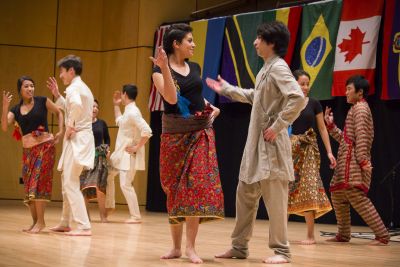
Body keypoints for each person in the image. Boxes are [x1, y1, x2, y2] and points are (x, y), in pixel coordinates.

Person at [206, 21, 305, 264]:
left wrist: (277, 125)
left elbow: (298, 98)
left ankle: (282, 252)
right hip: (256, 148)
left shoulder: (279, 68)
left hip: (271, 148)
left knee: (276, 202)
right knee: (245, 195)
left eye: (259, 38)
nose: (255, 42)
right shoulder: (265, 70)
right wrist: (227, 89)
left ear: (271, 43)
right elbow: (254, 96)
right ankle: (239, 247)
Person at [151, 23, 224, 264]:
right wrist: (164, 68)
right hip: (174, 135)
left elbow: (193, 96)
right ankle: (176, 247)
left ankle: (191, 247)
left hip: (199, 132)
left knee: (195, 188)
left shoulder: (194, 67)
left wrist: (210, 106)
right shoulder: (158, 71)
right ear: (176, 44)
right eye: (189, 41)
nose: (193, 45)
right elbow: (171, 98)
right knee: (173, 189)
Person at [324, 75, 390, 245]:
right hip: (346, 161)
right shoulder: (356, 109)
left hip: (352, 163)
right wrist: (331, 126)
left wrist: (362, 161)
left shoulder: (360, 109)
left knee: (357, 197)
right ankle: (344, 234)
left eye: (349, 89)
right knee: (338, 195)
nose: (345, 92)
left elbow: (363, 137)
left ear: (360, 93)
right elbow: (347, 140)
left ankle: (382, 235)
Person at [1, 76, 63, 233]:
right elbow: (4, 126)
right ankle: (35, 222)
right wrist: (5, 106)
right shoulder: (15, 109)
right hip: (28, 151)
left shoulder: (42, 101)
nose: (30, 89)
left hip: (45, 147)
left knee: (39, 183)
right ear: (20, 90)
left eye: (32, 86)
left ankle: (41, 222)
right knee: (30, 186)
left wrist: (61, 131)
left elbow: (59, 112)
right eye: (26, 86)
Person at [46, 55, 95, 236]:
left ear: (71, 71)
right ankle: (65, 222)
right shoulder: (81, 87)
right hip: (79, 138)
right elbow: (72, 105)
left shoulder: (75, 87)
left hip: (78, 138)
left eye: (62, 71)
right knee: (67, 180)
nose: (61, 75)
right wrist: (58, 95)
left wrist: (71, 125)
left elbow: (75, 105)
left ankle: (84, 226)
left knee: (70, 181)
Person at [287, 70, 337, 245]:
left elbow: (322, 128)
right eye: (302, 83)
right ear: (293, 83)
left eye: (307, 83)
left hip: (308, 150)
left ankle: (310, 235)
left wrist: (330, 152)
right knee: (285, 189)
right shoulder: (287, 102)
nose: (306, 87)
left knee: (309, 187)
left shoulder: (314, 103)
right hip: (290, 149)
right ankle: (280, 235)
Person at [105, 84, 152, 223]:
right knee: (108, 174)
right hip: (120, 154)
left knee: (125, 184)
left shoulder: (133, 112)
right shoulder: (128, 111)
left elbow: (147, 131)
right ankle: (110, 205)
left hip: (128, 155)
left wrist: (137, 147)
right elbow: (120, 121)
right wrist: (115, 105)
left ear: (125, 94)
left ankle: (135, 216)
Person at [79, 99, 111, 223]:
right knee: (84, 188)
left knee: (100, 187)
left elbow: (107, 139)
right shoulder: (82, 124)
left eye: (97, 107)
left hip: (99, 158)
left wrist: (107, 148)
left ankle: (103, 217)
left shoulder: (102, 123)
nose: (95, 109)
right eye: (92, 106)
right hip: (85, 158)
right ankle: (86, 218)